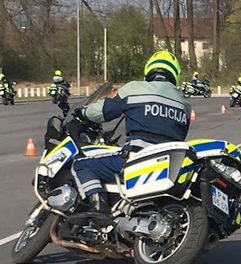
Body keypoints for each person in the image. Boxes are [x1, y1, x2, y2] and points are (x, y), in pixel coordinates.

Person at [68, 50, 192, 215]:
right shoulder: (184, 104)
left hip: (136, 158)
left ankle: (99, 208)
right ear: (175, 73)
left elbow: (105, 111)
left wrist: (83, 113)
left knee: (81, 165)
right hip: (167, 166)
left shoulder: (135, 88)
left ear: (149, 69)